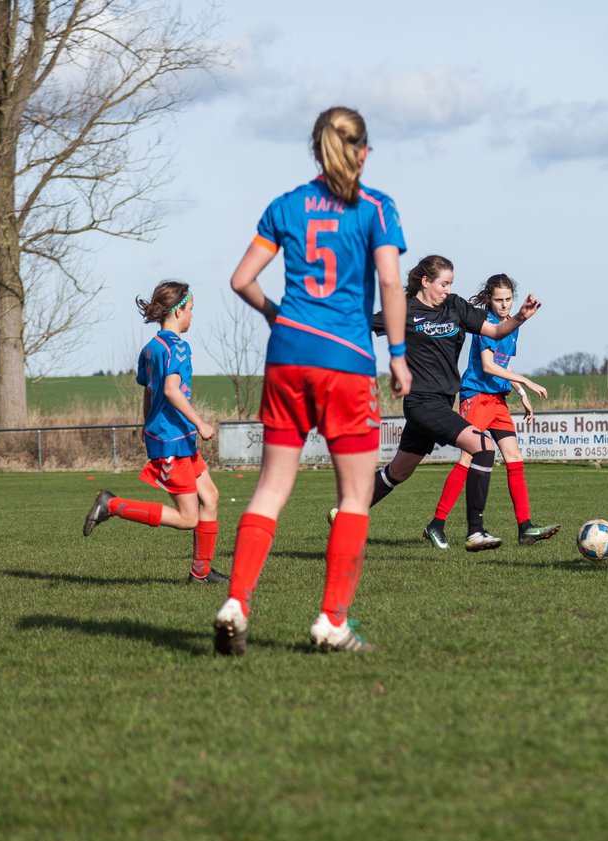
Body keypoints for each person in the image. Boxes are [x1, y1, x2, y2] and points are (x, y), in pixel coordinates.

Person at [212, 105, 411, 656]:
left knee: (271, 488)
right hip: (345, 359)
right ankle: (331, 621)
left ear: (316, 150)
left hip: (286, 355)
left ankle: (236, 603)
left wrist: (277, 315)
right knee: (354, 494)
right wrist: (397, 355)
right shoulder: (377, 208)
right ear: (363, 151)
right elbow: (392, 285)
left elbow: (240, 279)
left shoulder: (287, 205)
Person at [356, 255, 542, 551]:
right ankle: (475, 532)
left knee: (399, 471)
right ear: (425, 281)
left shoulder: (455, 306)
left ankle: (349, 510)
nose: (447, 289)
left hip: (443, 402)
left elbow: (495, 331)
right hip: (421, 403)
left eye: (450, 283)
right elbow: (358, 323)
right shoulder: (402, 310)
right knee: (482, 446)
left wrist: (520, 317)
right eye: (443, 283)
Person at [82, 281, 224, 584]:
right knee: (189, 518)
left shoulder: (150, 349)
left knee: (210, 496)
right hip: (173, 440)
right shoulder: (177, 347)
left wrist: (147, 426)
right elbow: (172, 391)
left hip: (175, 438)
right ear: (178, 310)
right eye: (191, 309)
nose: (192, 316)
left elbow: (149, 392)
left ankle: (201, 572)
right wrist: (201, 423)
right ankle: (112, 505)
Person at [423, 274, 560, 550]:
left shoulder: (513, 326)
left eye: (508, 299)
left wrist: (521, 395)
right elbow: (488, 366)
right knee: (466, 457)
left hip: (497, 400)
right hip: (476, 397)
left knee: (514, 457)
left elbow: (503, 365)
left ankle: (525, 528)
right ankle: (436, 524)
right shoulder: (486, 325)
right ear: (489, 299)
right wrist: (527, 381)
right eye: (498, 300)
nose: (504, 305)